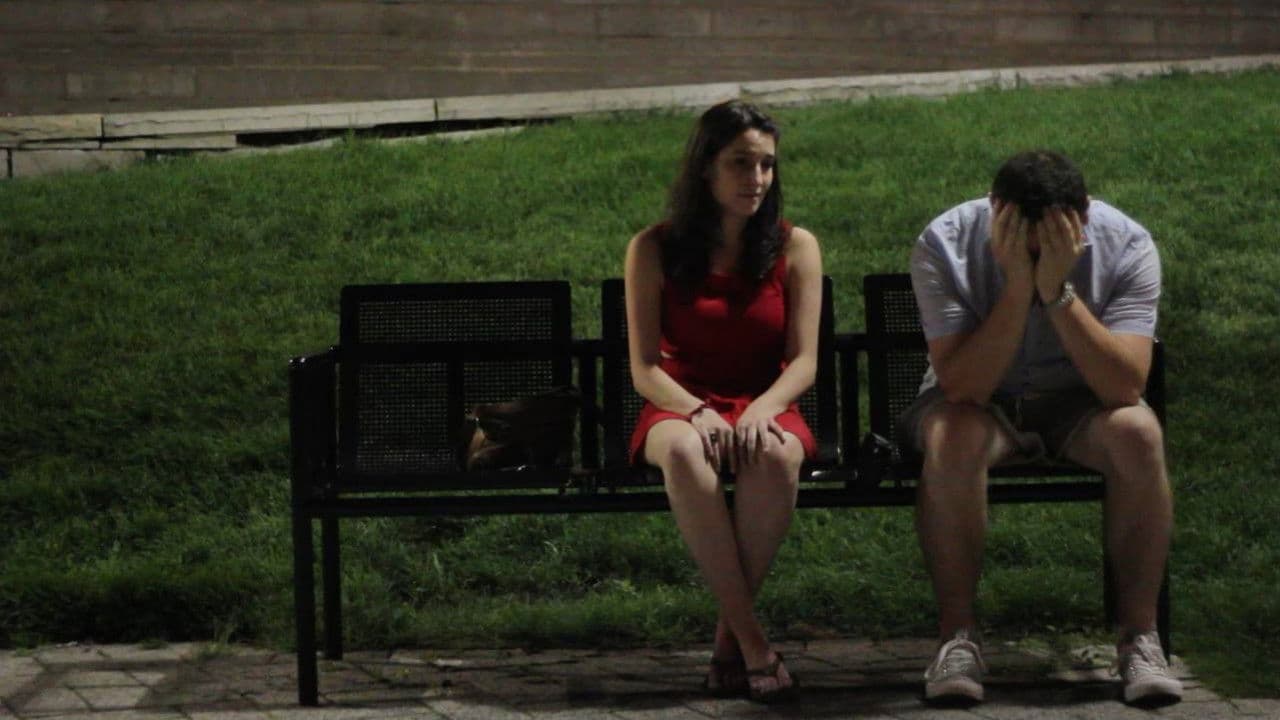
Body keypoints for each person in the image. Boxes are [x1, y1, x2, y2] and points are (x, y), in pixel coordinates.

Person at [900, 150, 1182, 706]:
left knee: (1139, 433)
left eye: (1050, 242)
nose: (1035, 253)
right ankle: (957, 639)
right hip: (978, 403)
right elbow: (964, 386)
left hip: (1080, 401)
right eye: (1024, 242)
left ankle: (1139, 639)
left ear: (1082, 217)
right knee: (955, 436)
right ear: (995, 210)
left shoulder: (1128, 245)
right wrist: (1017, 287)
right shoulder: (944, 243)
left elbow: (1124, 387)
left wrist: (1056, 290)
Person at [624, 100, 822, 703]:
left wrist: (765, 407)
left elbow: (805, 361)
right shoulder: (652, 248)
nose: (756, 178)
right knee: (686, 453)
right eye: (740, 163)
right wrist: (695, 410)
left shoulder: (796, 247)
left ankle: (726, 645)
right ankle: (755, 645)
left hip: (765, 399)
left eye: (766, 165)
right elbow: (644, 368)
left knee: (777, 454)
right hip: (680, 401)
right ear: (705, 167)